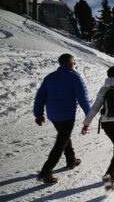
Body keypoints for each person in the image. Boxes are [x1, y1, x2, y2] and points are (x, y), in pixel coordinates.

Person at [33, 53, 91, 184]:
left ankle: (71, 160)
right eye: (74, 63)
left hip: (53, 115)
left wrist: (38, 113)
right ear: (72, 64)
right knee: (61, 142)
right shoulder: (75, 77)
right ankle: (46, 171)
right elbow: (83, 98)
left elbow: (40, 96)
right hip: (67, 116)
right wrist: (90, 114)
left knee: (64, 136)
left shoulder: (50, 77)